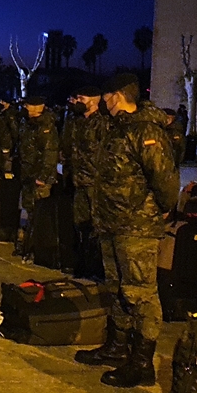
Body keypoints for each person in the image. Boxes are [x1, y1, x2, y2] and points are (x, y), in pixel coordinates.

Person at [75, 73, 179, 388]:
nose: (103, 102)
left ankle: (142, 363)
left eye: (106, 96)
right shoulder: (116, 128)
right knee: (117, 287)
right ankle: (117, 348)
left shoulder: (146, 131)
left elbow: (166, 182)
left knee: (141, 293)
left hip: (137, 227)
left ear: (117, 96)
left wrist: (160, 209)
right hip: (112, 224)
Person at [63, 86, 108, 279]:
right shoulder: (77, 121)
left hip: (95, 184)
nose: (78, 101)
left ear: (93, 100)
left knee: (96, 228)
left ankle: (97, 268)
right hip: (79, 182)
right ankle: (82, 264)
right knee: (80, 225)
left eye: (82, 98)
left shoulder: (103, 123)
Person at [15, 95, 60, 259]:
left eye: (28, 105)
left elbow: (50, 154)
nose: (25, 108)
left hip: (39, 177)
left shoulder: (46, 126)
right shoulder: (27, 124)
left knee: (39, 213)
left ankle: (38, 249)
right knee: (29, 211)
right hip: (28, 174)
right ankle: (28, 245)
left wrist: (43, 176)